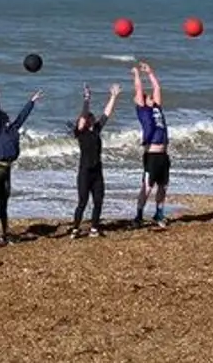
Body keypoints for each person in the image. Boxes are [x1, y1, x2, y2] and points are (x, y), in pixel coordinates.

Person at [0, 86, 38, 246]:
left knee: (4, 202)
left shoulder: (13, 129)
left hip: (7, 169)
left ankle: (5, 234)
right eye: (4, 117)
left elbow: (22, 117)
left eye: (6, 117)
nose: (6, 118)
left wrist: (31, 102)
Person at [68, 81, 122, 237]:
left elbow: (106, 113)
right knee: (82, 202)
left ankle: (94, 228)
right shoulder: (80, 133)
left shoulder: (96, 130)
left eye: (89, 118)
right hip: (85, 172)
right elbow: (84, 115)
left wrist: (113, 96)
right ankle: (75, 228)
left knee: (98, 201)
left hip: (97, 171)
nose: (86, 118)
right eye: (84, 119)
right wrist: (86, 99)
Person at [130, 63, 171, 227]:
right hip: (152, 155)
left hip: (163, 154)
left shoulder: (157, 108)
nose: (149, 96)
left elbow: (157, 87)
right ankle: (138, 216)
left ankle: (159, 214)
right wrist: (136, 75)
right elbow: (139, 89)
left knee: (163, 186)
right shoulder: (143, 110)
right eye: (146, 96)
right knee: (147, 187)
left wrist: (150, 72)